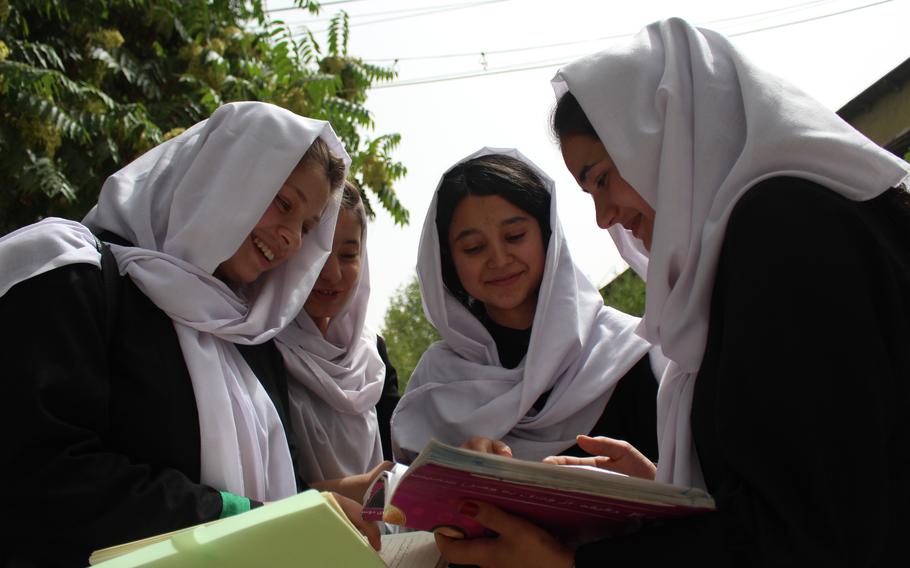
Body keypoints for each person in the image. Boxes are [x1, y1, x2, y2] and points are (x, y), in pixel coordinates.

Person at [434, 18, 910, 567]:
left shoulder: (784, 232)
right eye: (588, 192)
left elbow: (813, 533)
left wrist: (566, 564)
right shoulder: (756, 240)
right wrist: (663, 488)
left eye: (603, 177)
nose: (604, 215)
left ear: (666, 136)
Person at [0, 102, 380, 567]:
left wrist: (319, 506)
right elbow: (40, 475)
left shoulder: (251, 343)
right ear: (223, 172)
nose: (291, 240)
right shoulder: (70, 271)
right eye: (283, 203)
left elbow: (271, 490)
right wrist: (244, 520)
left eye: (306, 227)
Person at [390, 148, 663, 464]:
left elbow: (684, 486)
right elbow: (403, 505)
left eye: (515, 236)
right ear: (449, 263)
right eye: (474, 248)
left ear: (548, 237)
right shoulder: (435, 385)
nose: (499, 259)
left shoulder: (626, 352)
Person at [276, 180, 400, 497]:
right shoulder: (259, 348)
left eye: (347, 255)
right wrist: (360, 490)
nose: (332, 274)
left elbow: (395, 457)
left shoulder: (372, 355)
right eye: (317, 254)